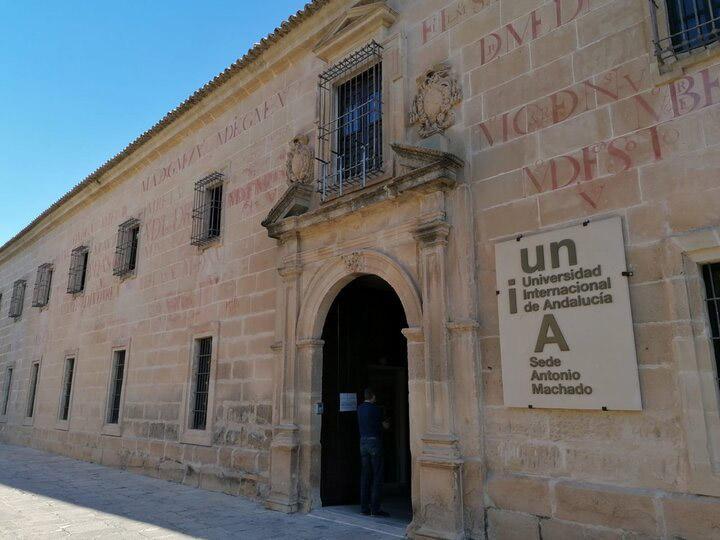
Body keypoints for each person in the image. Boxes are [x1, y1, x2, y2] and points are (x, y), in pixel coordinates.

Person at [356, 387, 390, 517]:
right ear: (373, 396)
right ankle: (375, 509)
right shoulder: (376, 409)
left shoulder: (359, 409)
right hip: (374, 442)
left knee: (365, 475)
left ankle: (364, 508)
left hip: (363, 442)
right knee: (377, 476)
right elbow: (384, 425)